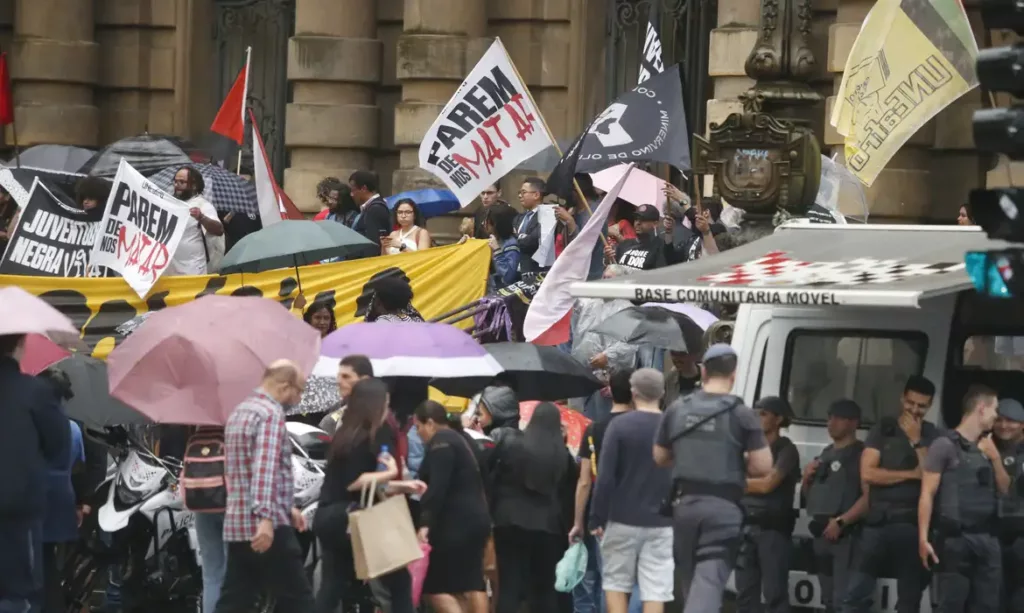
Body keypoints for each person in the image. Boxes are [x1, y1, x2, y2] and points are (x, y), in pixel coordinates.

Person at [653, 343, 773, 613]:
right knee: (708, 581)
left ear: (703, 371)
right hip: (723, 510)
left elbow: (660, 457)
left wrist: (688, 456)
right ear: (733, 374)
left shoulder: (677, 409)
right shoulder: (741, 413)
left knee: (690, 581)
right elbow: (763, 466)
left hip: (684, 509)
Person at [315, 378, 423, 613]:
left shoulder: (346, 434)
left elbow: (369, 486)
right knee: (399, 582)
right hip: (351, 518)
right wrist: (392, 473)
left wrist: (406, 486)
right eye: (384, 404)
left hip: (333, 517)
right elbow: (357, 483)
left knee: (333, 585)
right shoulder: (367, 437)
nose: (387, 410)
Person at [214, 361, 314, 613]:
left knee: (235, 600)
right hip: (265, 526)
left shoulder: (239, 412)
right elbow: (264, 467)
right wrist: (267, 517)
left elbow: (240, 470)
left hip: (238, 522)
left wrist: (285, 507)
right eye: (299, 390)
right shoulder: (270, 414)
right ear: (284, 385)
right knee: (299, 600)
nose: (299, 398)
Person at [843, 375, 941, 613]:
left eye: (921, 406)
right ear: (902, 399)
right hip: (876, 525)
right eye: (911, 403)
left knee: (909, 601)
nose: (915, 410)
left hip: (911, 527)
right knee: (855, 595)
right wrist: (911, 474)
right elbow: (868, 473)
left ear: (929, 406)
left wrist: (916, 440)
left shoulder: (932, 435)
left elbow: (930, 475)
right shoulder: (884, 429)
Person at [590, 369, 674, 613]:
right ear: (662, 393)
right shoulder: (672, 427)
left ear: (633, 393)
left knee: (616, 583)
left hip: (622, 518)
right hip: (661, 520)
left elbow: (605, 478)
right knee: (655, 588)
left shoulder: (619, 427)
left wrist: (597, 517)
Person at [0, 334, 70, 613]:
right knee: (21, 593)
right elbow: (59, 445)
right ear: (20, 345)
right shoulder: (35, 391)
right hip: (18, 507)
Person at [918, 385, 1002, 613]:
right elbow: (927, 493)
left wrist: (994, 458)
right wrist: (923, 537)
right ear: (981, 409)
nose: (997, 415)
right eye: (994, 409)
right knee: (951, 604)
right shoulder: (944, 445)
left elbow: (1004, 489)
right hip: (955, 540)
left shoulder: (989, 447)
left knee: (987, 606)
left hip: (986, 538)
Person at [490, 402, 575, 613]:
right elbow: (567, 496)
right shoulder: (563, 457)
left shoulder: (512, 445)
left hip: (508, 523)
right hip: (548, 529)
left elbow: (494, 478)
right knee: (544, 588)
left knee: (509, 584)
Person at [414, 401, 491, 613]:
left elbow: (439, 485)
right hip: (476, 519)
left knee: (433, 586)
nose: (419, 433)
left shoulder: (441, 442)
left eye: (418, 427)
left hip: (455, 523)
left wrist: (425, 524)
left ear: (430, 423)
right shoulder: (462, 438)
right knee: (471, 582)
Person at [570, 368, 635, 613]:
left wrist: (577, 521)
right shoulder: (646, 427)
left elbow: (584, 482)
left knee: (603, 580)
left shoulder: (594, 430)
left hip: (601, 515)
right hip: (637, 514)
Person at [801, 399, 868, 613]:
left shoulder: (861, 454)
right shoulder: (825, 453)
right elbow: (809, 498)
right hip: (821, 535)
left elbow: (869, 498)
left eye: (838, 418)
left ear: (853, 423)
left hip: (846, 536)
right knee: (828, 601)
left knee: (845, 601)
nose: (831, 423)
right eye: (830, 417)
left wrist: (841, 521)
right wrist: (806, 479)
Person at [735, 396, 800, 613]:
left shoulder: (786, 449)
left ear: (778, 419)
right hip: (745, 527)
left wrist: (736, 483)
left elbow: (767, 485)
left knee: (775, 594)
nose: (756, 417)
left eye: (763, 413)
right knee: (744, 594)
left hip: (772, 530)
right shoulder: (747, 450)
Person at [35, 368, 84, 613]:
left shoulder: (34, 424)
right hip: (63, 495)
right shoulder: (73, 428)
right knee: (49, 562)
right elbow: (78, 464)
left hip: (37, 497)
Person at [570, 265, 638, 421]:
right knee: (581, 420)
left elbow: (629, 343)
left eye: (610, 278)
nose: (605, 280)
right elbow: (574, 308)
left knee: (603, 421)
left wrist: (607, 356)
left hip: (609, 379)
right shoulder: (590, 302)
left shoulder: (627, 309)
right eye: (604, 277)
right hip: (584, 373)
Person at [994, 398, 1024, 613]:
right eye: (1000, 420)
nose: (1004, 425)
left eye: (1011, 420)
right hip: (995, 534)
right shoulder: (988, 447)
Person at [168, 166, 225, 276]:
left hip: (192, 270)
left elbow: (219, 230)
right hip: (169, 270)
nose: (176, 185)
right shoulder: (170, 203)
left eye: (182, 182)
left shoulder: (202, 205)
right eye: (175, 181)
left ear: (194, 186)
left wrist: (201, 217)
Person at [318, 355, 374, 434]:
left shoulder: (381, 416)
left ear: (364, 380)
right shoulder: (332, 420)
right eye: (338, 376)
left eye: (346, 376)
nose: (338, 381)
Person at [608, 204, 667, 271]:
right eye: (636, 219)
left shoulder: (660, 246)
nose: (637, 223)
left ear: (655, 224)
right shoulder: (624, 244)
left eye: (643, 219)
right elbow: (615, 270)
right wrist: (609, 259)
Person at [349, 170, 391, 257]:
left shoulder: (375, 209)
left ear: (364, 188)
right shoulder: (370, 208)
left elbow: (373, 245)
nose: (352, 194)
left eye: (353, 190)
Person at [485, 203, 521, 290]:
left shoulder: (511, 244)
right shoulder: (495, 240)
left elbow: (508, 277)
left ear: (496, 224)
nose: (484, 223)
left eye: (488, 221)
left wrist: (497, 251)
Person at [515, 177, 546, 275]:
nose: (520, 196)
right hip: (518, 272)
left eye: (523, 192)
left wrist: (516, 237)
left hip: (536, 273)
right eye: (519, 192)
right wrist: (520, 238)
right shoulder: (519, 218)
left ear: (536, 195)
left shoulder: (548, 215)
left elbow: (533, 241)